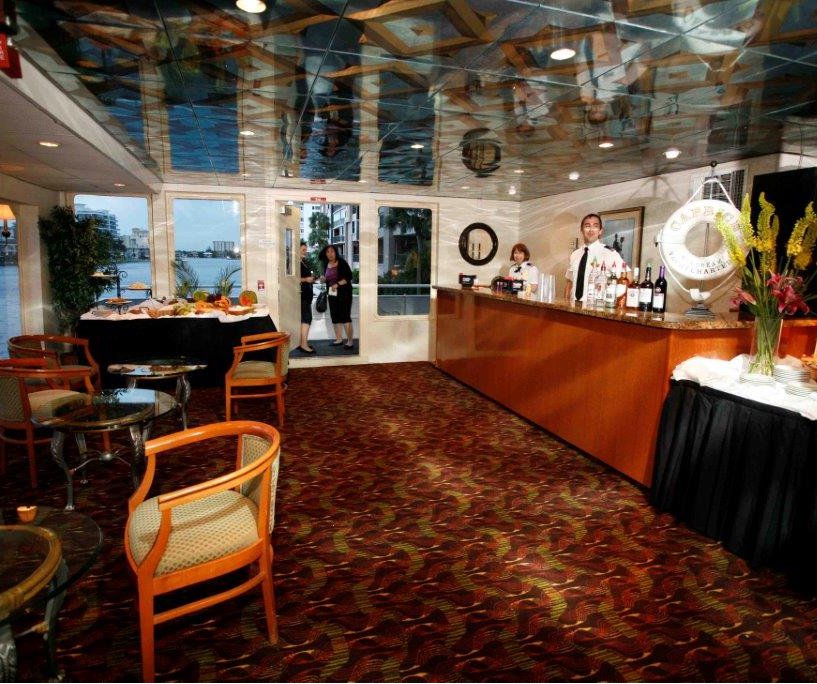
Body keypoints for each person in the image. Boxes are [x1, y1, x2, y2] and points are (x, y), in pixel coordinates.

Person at [564, 213, 624, 303]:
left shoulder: (610, 253)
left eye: (595, 226)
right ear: (582, 230)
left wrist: (610, 300)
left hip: (596, 306)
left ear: (600, 231)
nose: (591, 230)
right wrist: (565, 302)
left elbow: (626, 279)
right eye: (587, 226)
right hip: (573, 305)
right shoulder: (575, 254)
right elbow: (569, 282)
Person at [319, 244, 354, 348]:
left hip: (344, 294)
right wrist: (323, 279)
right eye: (327, 252)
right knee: (335, 316)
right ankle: (339, 340)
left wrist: (337, 284)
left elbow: (349, 277)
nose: (330, 254)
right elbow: (327, 278)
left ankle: (350, 342)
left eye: (332, 251)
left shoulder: (342, 262)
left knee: (345, 316)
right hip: (332, 294)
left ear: (335, 252)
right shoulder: (326, 263)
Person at [298, 241, 316, 354]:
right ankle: (303, 345)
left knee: (305, 319)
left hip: (307, 295)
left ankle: (302, 343)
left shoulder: (303, 262)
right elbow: (292, 279)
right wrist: (306, 279)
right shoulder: (295, 263)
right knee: (306, 319)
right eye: (303, 250)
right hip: (302, 295)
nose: (306, 251)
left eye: (306, 249)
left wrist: (312, 278)